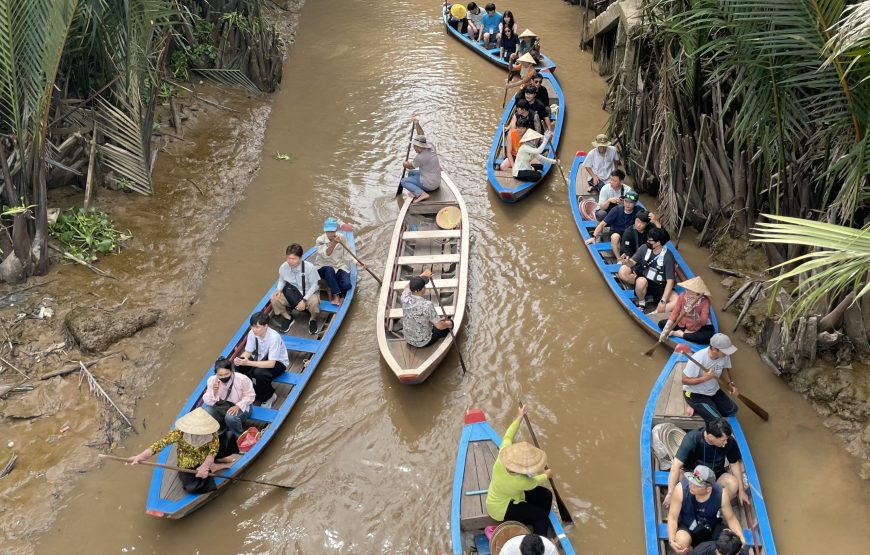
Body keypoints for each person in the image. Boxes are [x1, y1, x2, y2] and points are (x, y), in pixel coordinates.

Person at [129, 408, 233, 494]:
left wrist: (205, 466)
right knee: (191, 487)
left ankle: (214, 464)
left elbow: (213, 451)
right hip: (187, 462)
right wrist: (141, 456)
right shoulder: (180, 433)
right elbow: (160, 444)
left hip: (205, 458)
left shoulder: (211, 433)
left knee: (225, 440)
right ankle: (213, 467)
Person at [486, 405, 553, 536]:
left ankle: (534, 520)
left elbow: (508, 436)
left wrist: (519, 417)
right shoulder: (520, 481)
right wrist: (547, 475)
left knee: (546, 495)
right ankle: (538, 532)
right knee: (541, 517)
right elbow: (534, 481)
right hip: (501, 508)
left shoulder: (502, 455)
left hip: (508, 494)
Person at [663, 418, 749, 510]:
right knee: (679, 475)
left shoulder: (729, 442)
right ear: (710, 436)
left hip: (715, 477)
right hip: (692, 476)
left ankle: (715, 508)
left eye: (726, 439)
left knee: (733, 483)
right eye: (723, 440)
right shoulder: (692, 439)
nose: (726, 442)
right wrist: (670, 493)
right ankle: (687, 504)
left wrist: (741, 490)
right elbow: (675, 466)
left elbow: (734, 463)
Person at [666, 465, 745, 554]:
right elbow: (672, 516)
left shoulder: (721, 495)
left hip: (711, 527)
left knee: (730, 541)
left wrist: (740, 537)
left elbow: (731, 518)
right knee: (681, 542)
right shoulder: (681, 489)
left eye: (697, 485)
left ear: (708, 489)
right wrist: (671, 540)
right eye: (691, 481)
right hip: (686, 526)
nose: (691, 485)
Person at [233, 311, 290, 408]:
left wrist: (249, 362)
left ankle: (269, 396)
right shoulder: (252, 333)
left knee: (259, 373)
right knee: (238, 367)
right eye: (252, 326)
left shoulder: (274, 337)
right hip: (261, 359)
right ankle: (252, 391)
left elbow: (271, 364)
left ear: (266, 326)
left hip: (278, 363)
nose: (254, 330)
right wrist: (241, 359)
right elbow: (248, 351)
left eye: (257, 327)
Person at [682, 333, 740, 421]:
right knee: (717, 420)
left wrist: (730, 384)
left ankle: (705, 406)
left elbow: (724, 369)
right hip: (695, 394)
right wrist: (704, 378)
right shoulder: (698, 358)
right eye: (725, 351)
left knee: (732, 410)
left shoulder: (724, 355)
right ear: (714, 349)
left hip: (713, 390)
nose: (728, 353)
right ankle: (692, 404)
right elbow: (684, 380)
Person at [616, 227, 676, 310]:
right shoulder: (644, 248)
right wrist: (627, 262)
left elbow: (670, 281)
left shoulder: (668, 257)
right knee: (640, 282)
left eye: (650, 241)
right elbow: (632, 262)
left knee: (677, 300)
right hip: (645, 278)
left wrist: (663, 301)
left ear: (658, 243)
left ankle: (655, 313)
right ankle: (641, 302)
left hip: (659, 285)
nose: (648, 241)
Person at [271, 243, 322, 334]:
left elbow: (315, 285)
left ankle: (313, 319)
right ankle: (288, 318)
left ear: (300, 257)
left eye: (294, 259)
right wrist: (278, 290)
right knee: (274, 298)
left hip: (308, 293)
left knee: (314, 302)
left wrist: (304, 300)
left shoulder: (309, 267)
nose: (290, 261)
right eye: (288, 258)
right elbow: (282, 280)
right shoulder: (283, 267)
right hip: (292, 293)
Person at [201, 356, 255, 438]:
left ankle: (240, 435)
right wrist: (214, 392)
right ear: (216, 374)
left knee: (230, 417)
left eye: (226, 374)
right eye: (220, 375)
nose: (223, 377)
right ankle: (222, 429)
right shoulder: (212, 380)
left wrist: (238, 406)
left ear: (232, 371)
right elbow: (208, 401)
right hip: (224, 406)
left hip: (243, 406)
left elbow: (250, 396)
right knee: (207, 411)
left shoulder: (241, 379)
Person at [400, 269, 453, 347]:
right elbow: (440, 326)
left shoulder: (404, 298)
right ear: (423, 289)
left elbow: (407, 286)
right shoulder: (427, 305)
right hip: (424, 342)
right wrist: (450, 324)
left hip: (408, 339)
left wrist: (421, 275)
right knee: (447, 324)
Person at [586, 190, 641, 260]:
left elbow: (648, 218)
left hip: (630, 235)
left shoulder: (638, 210)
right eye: (626, 201)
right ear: (623, 201)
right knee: (615, 237)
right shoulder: (616, 210)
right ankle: (618, 258)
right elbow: (603, 224)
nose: (628, 204)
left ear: (635, 203)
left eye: (631, 203)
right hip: (617, 233)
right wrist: (593, 236)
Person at [658, 277, 715, 345]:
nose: (686, 292)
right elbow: (675, 313)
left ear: (698, 293)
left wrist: (693, 314)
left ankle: (679, 334)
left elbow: (703, 322)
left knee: (707, 337)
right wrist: (666, 328)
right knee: (662, 324)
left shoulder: (705, 302)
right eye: (687, 289)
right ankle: (684, 334)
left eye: (690, 290)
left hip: (696, 326)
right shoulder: (682, 295)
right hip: (681, 322)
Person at [314, 217, 357, 306]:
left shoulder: (341, 238)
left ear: (336, 230)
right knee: (329, 270)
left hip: (338, 266)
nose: (330, 234)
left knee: (347, 285)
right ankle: (336, 294)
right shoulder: (320, 240)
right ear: (325, 231)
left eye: (332, 231)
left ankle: (335, 289)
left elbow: (348, 252)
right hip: (323, 267)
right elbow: (327, 254)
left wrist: (357, 262)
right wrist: (333, 243)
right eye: (328, 232)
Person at [400, 117, 442, 204]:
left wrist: (404, 163)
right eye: (415, 146)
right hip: (436, 180)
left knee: (403, 181)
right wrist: (417, 124)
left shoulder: (420, 157)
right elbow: (421, 134)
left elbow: (410, 166)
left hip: (430, 185)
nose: (415, 148)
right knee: (411, 174)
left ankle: (422, 194)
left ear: (420, 147)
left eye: (416, 146)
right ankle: (416, 191)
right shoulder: (430, 145)